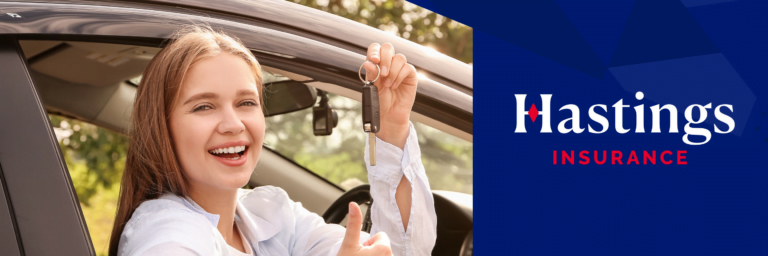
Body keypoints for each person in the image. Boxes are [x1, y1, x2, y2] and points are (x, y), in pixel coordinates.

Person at [108, 26, 437, 256]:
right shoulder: (167, 235)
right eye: (203, 106)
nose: (233, 124)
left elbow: (397, 251)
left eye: (246, 103)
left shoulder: (272, 217)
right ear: (161, 127)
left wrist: (392, 128)